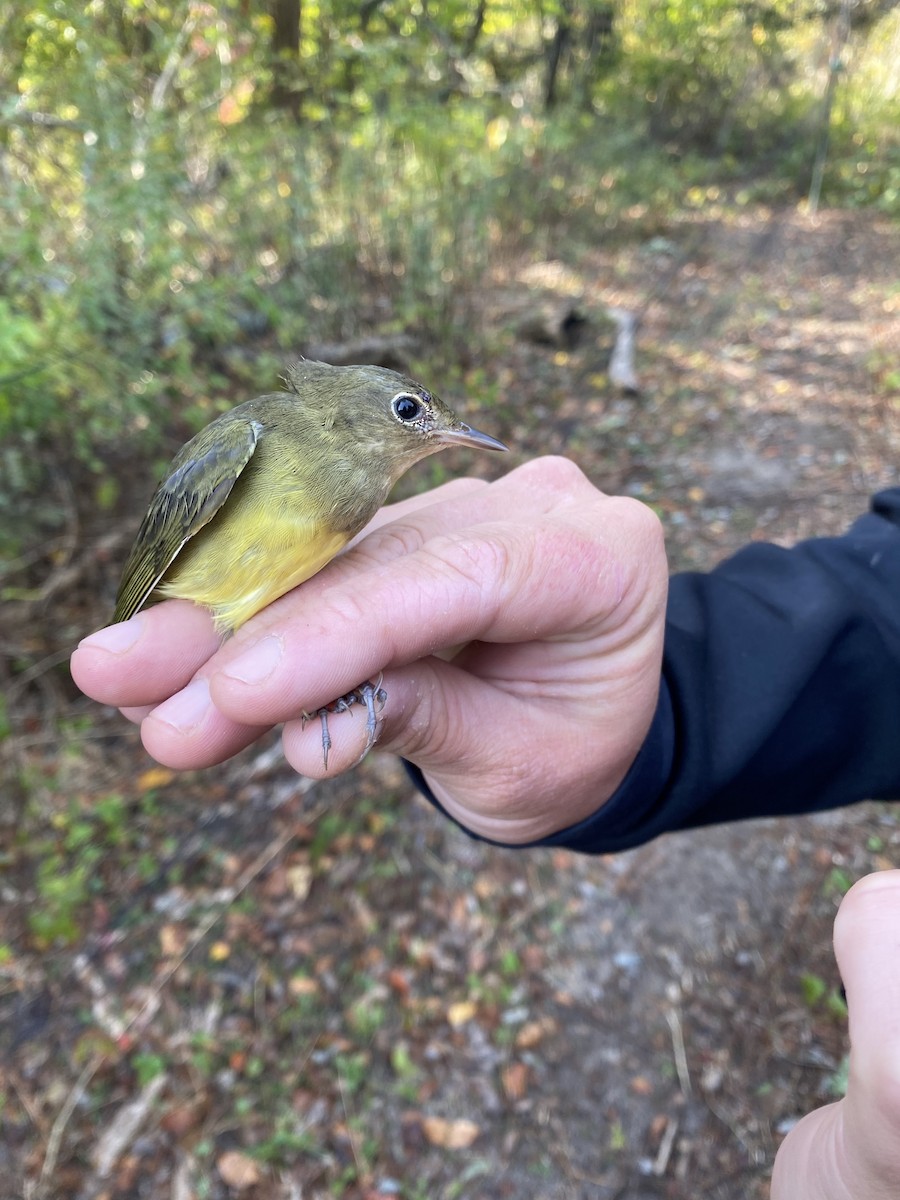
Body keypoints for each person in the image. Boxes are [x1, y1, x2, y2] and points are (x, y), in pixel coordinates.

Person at [70, 456, 900, 1198]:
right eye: (410, 413)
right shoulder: (266, 450)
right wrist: (651, 708)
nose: (437, 430)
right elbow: (882, 604)